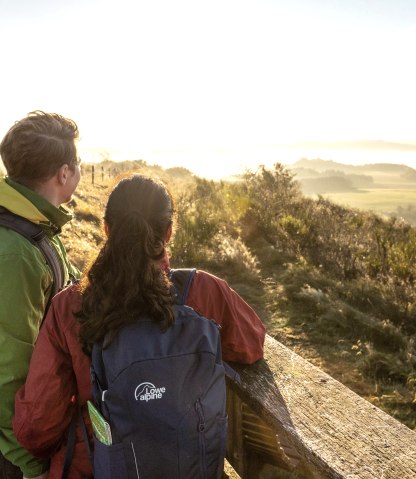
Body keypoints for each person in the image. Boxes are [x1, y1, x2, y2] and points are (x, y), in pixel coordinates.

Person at [14, 174, 266, 478]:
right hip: (188, 466)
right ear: (169, 231)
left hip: (92, 467)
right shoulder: (205, 291)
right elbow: (252, 344)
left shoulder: (70, 305)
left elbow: (37, 427)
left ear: (106, 229)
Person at [0, 111, 81, 479]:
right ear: (64, 174)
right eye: (77, 164)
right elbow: (7, 374)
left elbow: (74, 289)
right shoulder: (17, 252)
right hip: (13, 453)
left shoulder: (37, 224)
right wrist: (33, 467)